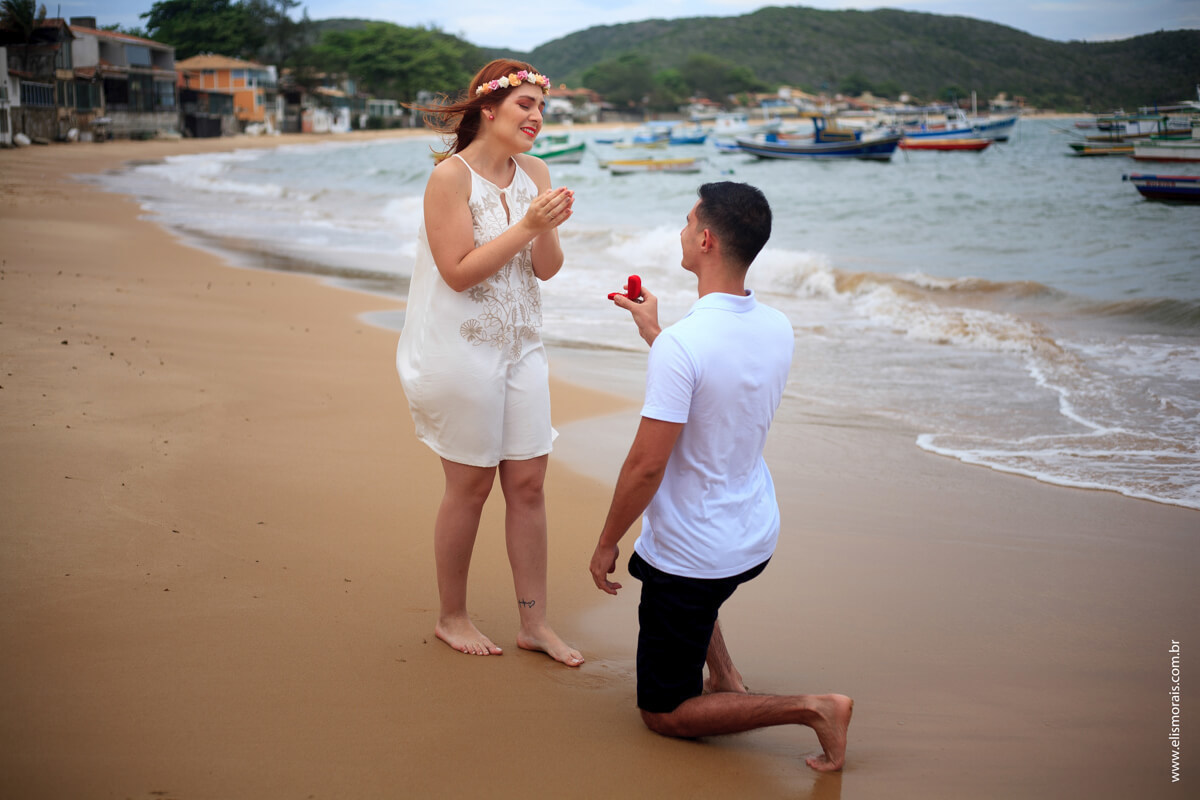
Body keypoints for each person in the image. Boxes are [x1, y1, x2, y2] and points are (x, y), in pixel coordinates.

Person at [588, 182, 852, 770]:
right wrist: (656, 334)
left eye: (687, 223)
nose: (681, 232)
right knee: (683, 580)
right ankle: (726, 674)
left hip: (697, 551)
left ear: (705, 240)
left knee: (662, 710)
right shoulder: (776, 326)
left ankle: (815, 709)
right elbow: (719, 391)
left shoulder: (686, 344)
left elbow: (646, 464)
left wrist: (607, 540)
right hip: (752, 533)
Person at [397, 59, 583, 667]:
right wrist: (528, 223)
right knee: (471, 486)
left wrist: (545, 226)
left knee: (529, 485)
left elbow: (547, 269)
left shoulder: (536, 171)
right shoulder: (449, 179)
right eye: (524, 105)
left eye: (540, 108)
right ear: (488, 110)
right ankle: (452, 616)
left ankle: (537, 624)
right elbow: (456, 273)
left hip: (523, 346)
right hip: (461, 350)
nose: (535, 118)